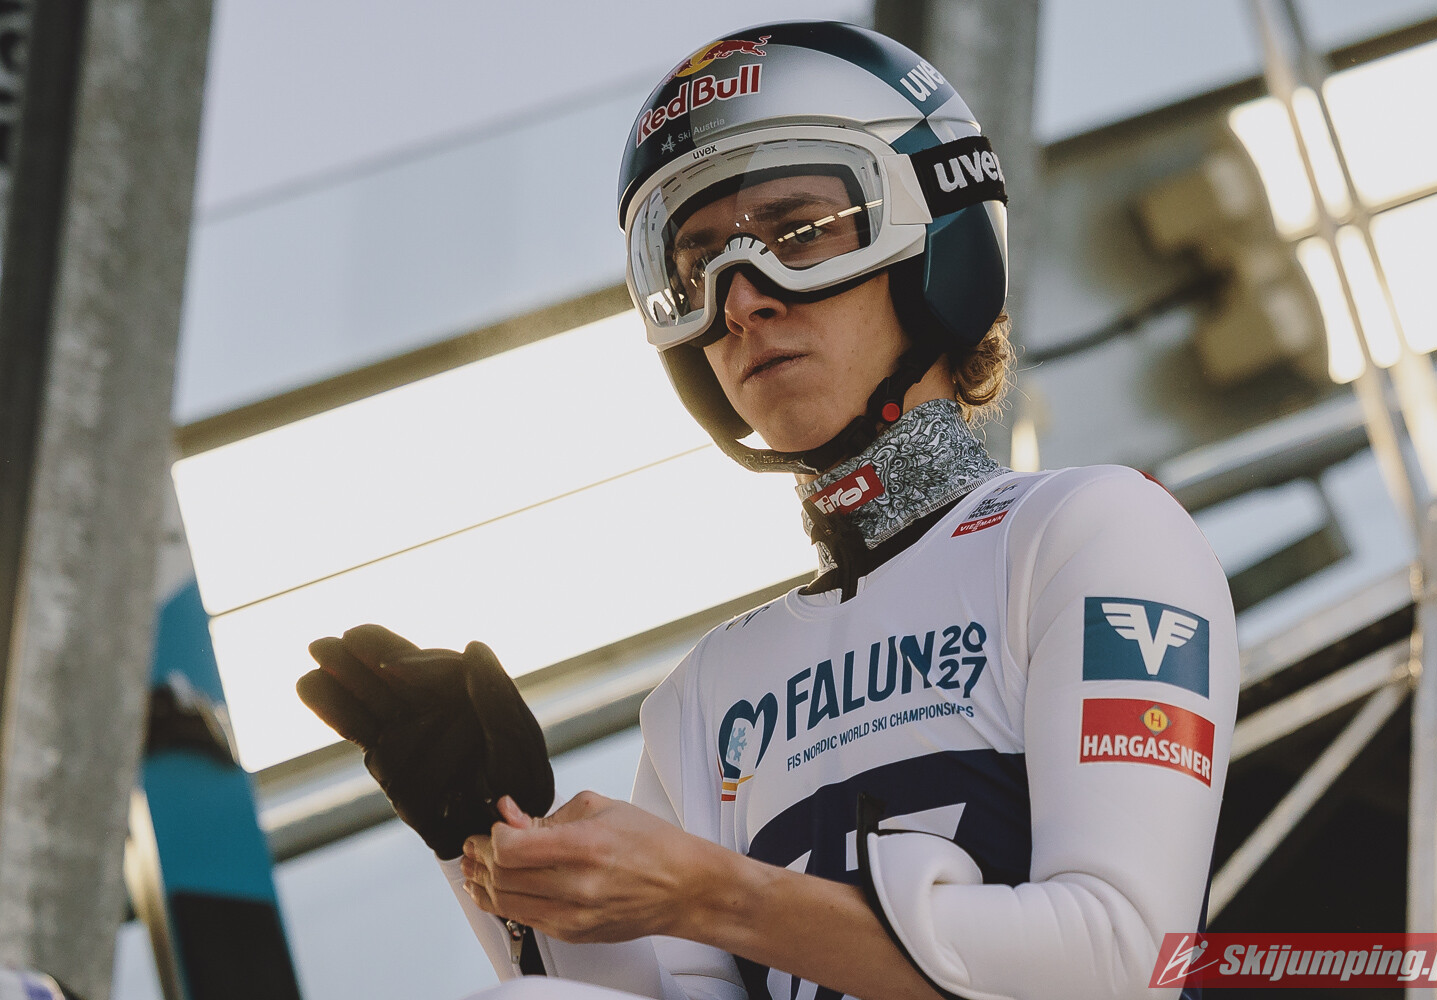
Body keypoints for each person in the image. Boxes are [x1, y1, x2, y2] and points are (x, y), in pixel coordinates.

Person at [298, 21, 1238, 1000]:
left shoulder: (1086, 532)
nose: (743, 300)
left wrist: (714, 894)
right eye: (695, 267)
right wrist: (494, 836)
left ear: (936, 236)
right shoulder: (704, 692)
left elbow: (1127, 959)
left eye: (798, 235)